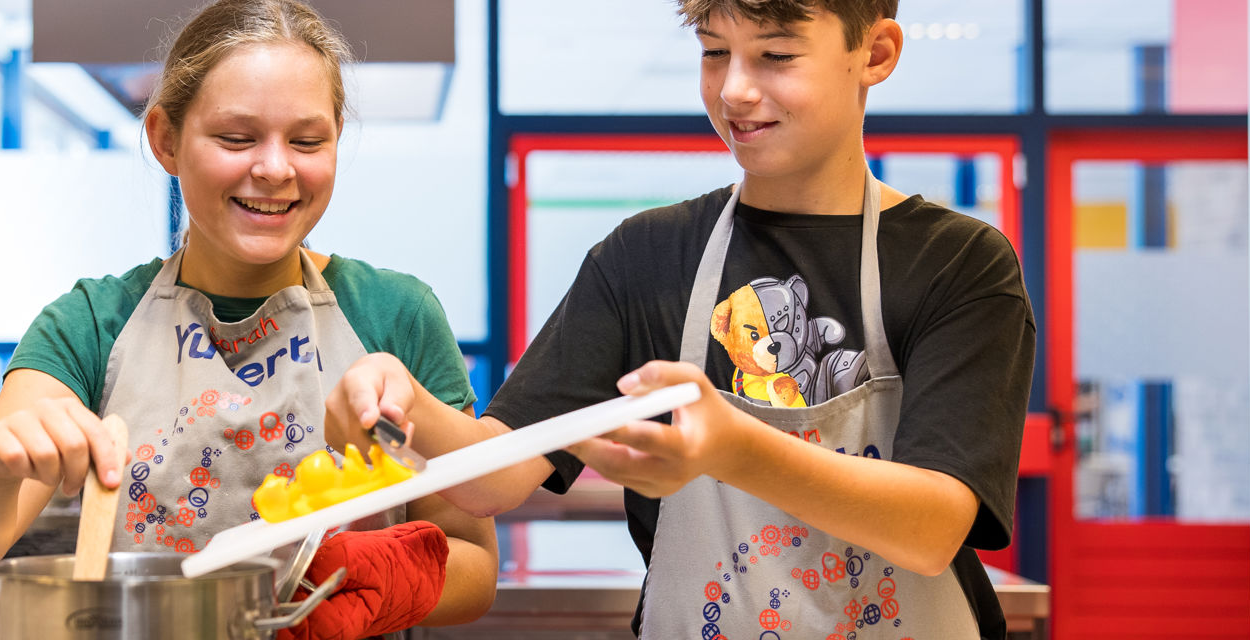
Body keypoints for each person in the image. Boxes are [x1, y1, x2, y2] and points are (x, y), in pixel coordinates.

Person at [324, 1, 1034, 638]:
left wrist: (735, 451)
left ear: (874, 54)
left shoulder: (958, 263)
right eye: (714, 51)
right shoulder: (647, 256)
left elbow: (933, 527)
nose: (734, 90)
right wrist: (405, 403)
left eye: (776, 55)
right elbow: (494, 478)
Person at [0, 1, 497, 637]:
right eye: (236, 138)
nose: (275, 169)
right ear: (165, 139)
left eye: (307, 141)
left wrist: (389, 581)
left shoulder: (396, 315)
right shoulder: (88, 324)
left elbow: (473, 559)